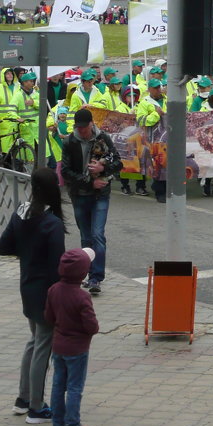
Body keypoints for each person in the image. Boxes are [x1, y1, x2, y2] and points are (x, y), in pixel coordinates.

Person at [0, 167, 67, 425]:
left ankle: (23, 398)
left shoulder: (21, 212)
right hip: (47, 291)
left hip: (27, 286)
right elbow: (59, 265)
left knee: (34, 340)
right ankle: (37, 406)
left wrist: (25, 252)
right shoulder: (52, 223)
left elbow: (2, 247)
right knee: (43, 346)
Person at [60, 108, 122, 296]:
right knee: (86, 236)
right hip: (79, 194)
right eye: (78, 128)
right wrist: (89, 181)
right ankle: (85, 274)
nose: (82, 132)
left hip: (100, 194)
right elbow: (65, 171)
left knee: (97, 234)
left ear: (91, 124)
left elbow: (118, 163)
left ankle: (96, 278)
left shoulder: (103, 138)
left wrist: (103, 166)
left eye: (84, 128)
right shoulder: (69, 142)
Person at [45, 247, 100, 426]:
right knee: (75, 387)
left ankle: (57, 423)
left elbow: (48, 317)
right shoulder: (82, 296)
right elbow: (91, 326)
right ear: (83, 272)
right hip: (77, 348)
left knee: (58, 384)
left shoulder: (53, 290)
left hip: (58, 346)